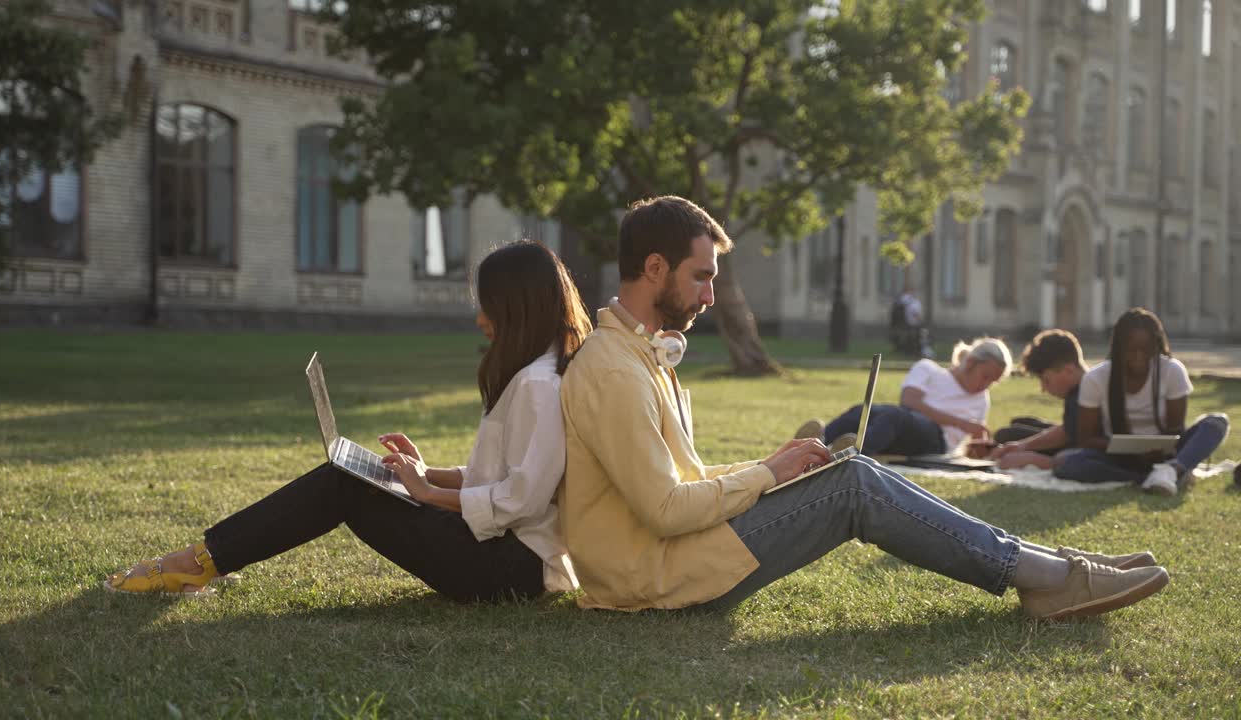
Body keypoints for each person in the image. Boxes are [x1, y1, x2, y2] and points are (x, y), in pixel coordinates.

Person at [558, 195, 1167, 620]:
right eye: (701, 277)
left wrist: (773, 464)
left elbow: (677, 483)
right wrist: (768, 474)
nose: (712, 294)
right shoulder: (613, 370)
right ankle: (1052, 580)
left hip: (678, 556)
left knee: (857, 473)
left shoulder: (641, 356)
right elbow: (665, 509)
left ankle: (1049, 568)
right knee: (854, 484)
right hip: (655, 580)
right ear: (655, 267)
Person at [105, 241, 592, 601]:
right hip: (500, 554)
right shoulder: (533, 375)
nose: (480, 318)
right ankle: (203, 560)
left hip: (509, 570)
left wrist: (428, 495)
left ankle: (197, 563)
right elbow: (506, 478)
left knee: (343, 485)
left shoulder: (539, 384)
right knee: (354, 479)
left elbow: (522, 500)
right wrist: (423, 476)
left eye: (486, 305)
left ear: (514, 307)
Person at [1054, 308, 1231, 496]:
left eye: (1146, 350)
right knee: (1066, 464)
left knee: (1216, 423)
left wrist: (1159, 452)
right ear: (1119, 347)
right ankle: (1146, 478)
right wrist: (1130, 451)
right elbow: (1085, 438)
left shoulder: (1172, 371)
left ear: (1157, 346)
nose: (1139, 357)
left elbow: (1176, 430)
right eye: (1131, 350)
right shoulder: (1096, 378)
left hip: (1165, 455)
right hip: (1118, 456)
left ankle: (1171, 470)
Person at [802, 337, 1012, 459]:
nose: (986, 385)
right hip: (906, 422)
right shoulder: (928, 369)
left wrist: (980, 447)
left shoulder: (982, 400)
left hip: (936, 442)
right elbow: (909, 401)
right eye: (985, 376)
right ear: (971, 363)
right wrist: (962, 423)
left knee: (893, 416)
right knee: (865, 411)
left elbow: (971, 447)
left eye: (993, 381)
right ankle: (812, 445)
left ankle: (849, 455)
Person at [987, 329, 1088, 470]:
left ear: (1068, 370)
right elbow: (1070, 428)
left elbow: (1069, 436)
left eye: (1046, 380)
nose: (1043, 389)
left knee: (1007, 434)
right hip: (1074, 439)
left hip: (1080, 446)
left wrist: (1027, 452)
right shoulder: (1078, 390)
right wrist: (1021, 446)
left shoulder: (1087, 392)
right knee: (1020, 423)